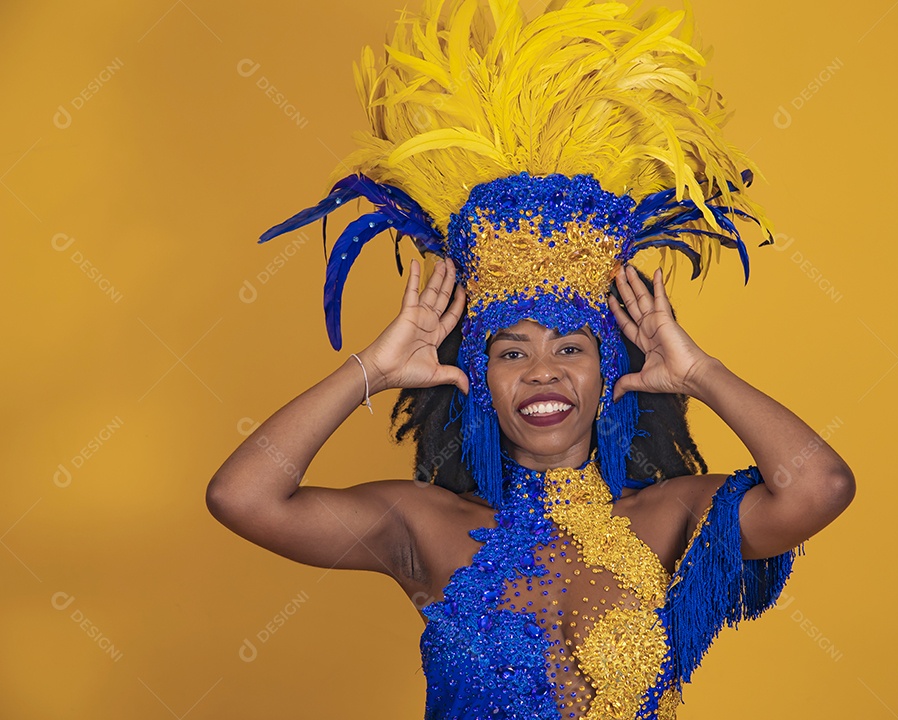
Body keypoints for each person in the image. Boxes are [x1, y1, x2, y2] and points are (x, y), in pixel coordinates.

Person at [208, 2, 856, 717]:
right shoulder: (424, 525)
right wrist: (372, 368)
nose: (542, 370)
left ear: (611, 373)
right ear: (480, 380)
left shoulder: (669, 517)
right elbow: (243, 498)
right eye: (511, 350)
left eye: (570, 348)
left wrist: (701, 373)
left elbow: (819, 486)